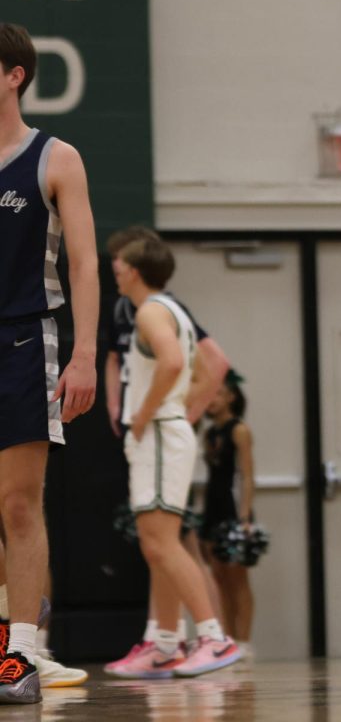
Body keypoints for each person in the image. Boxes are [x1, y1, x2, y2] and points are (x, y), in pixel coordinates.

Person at [0, 22, 99, 704]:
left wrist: (86, 352)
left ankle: (22, 653)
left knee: (17, 503)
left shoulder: (55, 157)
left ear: (15, 74)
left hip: (23, 339)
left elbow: (86, 262)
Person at [109, 237, 241, 677]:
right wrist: (183, 411)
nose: (115, 266)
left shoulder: (149, 311)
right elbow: (206, 370)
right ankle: (166, 644)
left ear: (136, 269)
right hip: (167, 430)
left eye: (120, 260)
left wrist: (147, 415)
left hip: (160, 433)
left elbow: (169, 364)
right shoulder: (174, 310)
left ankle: (215, 639)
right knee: (157, 546)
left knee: (161, 543)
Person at [199, 370, 256, 651]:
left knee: (237, 578)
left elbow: (246, 475)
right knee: (219, 576)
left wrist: (244, 517)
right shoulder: (210, 433)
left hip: (234, 510)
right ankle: (228, 639)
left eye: (217, 393)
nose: (211, 399)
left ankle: (244, 641)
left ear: (231, 397)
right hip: (213, 507)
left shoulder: (239, 430)